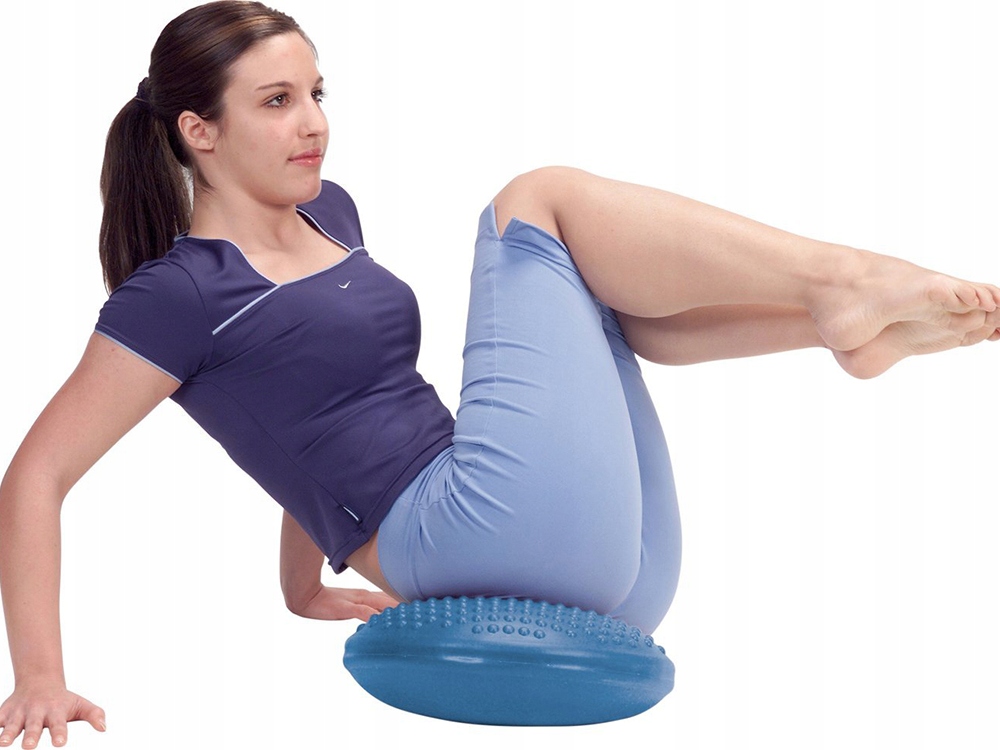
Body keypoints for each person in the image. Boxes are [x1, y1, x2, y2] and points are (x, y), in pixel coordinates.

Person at [1, 1, 998, 747]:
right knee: (537, 199)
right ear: (198, 131)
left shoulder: (328, 213)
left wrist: (302, 585)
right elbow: (35, 478)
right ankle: (840, 281)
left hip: (620, 568)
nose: (313, 123)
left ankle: (824, 326)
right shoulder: (175, 297)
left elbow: (306, 411)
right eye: (276, 102)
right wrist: (39, 675)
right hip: (477, 533)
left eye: (315, 94)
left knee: (602, 293)